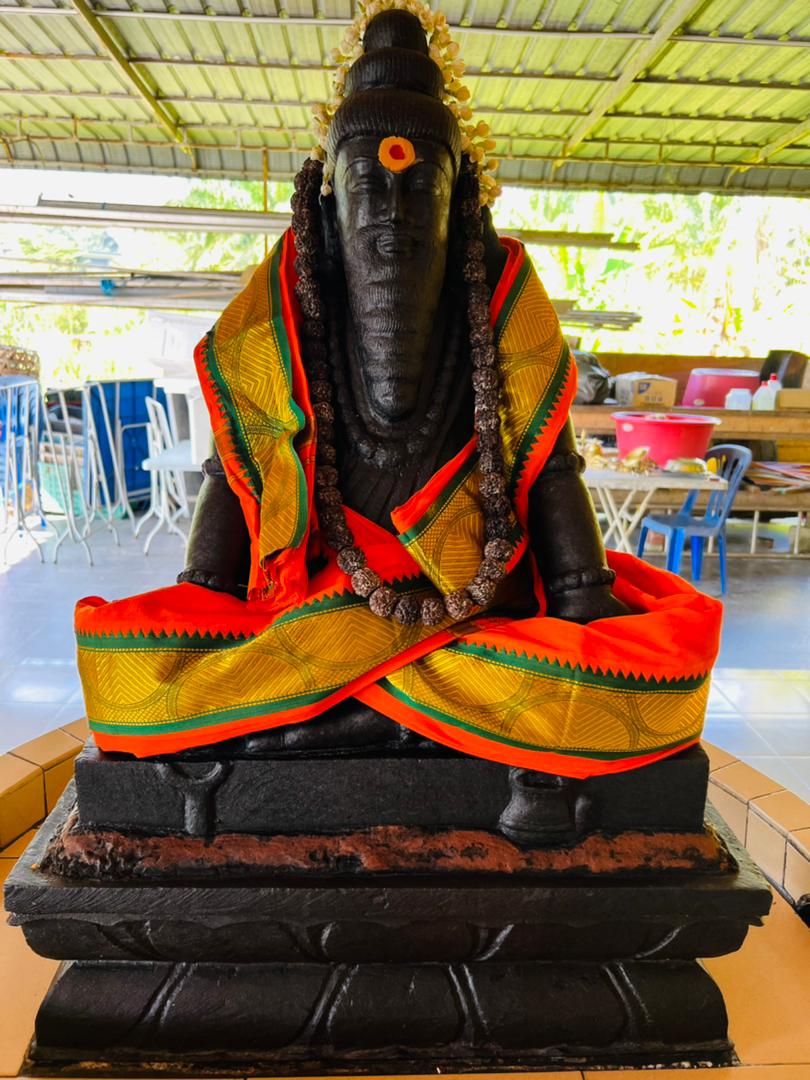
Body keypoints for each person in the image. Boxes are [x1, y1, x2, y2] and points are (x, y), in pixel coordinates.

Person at [75, 3, 721, 776]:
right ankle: (406, 720)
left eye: (422, 188)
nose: (393, 213)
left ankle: (315, 722)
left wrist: (581, 597)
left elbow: (553, 468)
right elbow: (232, 480)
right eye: (368, 185)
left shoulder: (505, 310)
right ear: (330, 203)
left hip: (469, 613)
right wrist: (208, 599)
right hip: (316, 616)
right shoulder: (275, 319)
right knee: (129, 682)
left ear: (459, 203)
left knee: (646, 687)